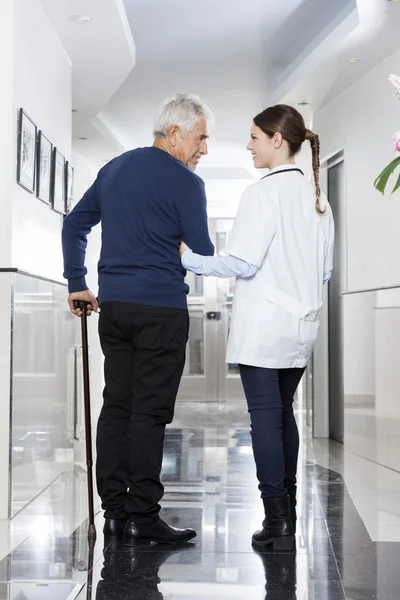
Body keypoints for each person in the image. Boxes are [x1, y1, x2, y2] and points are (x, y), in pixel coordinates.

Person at [180, 104, 334, 551]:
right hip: (302, 325)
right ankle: (288, 515)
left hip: (265, 328)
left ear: (276, 141)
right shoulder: (318, 196)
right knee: (283, 415)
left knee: (265, 420)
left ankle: (278, 523)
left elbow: (242, 263)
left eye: (253, 137)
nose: (247, 146)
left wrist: (187, 258)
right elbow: (324, 272)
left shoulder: (262, 193)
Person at [62, 93, 215, 546]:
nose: (204, 149)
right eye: (200, 138)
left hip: (115, 308)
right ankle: (143, 515)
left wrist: (77, 281)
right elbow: (203, 252)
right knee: (148, 413)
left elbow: (75, 225)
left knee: (116, 407)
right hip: (162, 310)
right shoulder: (188, 184)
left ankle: (113, 512)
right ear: (174, 135)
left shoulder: (114, 169)